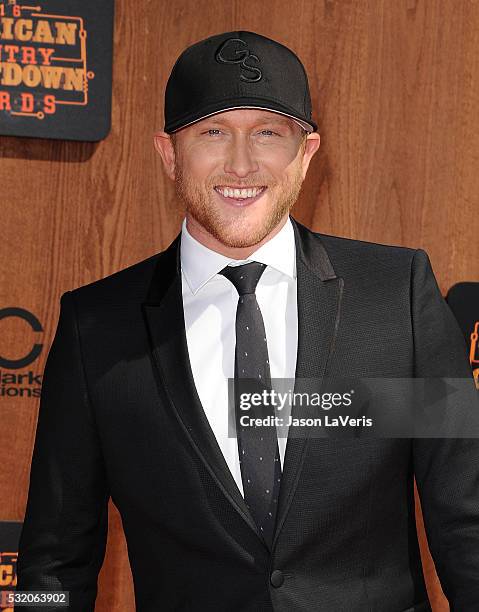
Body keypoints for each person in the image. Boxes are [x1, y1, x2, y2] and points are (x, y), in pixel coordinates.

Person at [16, 31, 479, 612]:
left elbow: (468, 516)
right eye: (212, 132)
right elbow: (51, 563)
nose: (241, 163)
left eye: (268, 133)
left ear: (306, 154)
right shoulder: (97, 328)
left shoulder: (396, 298)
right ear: (169, 153)